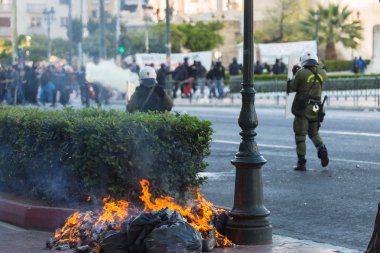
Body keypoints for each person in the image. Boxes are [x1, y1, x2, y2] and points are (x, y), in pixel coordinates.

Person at [287, 50, 329, 171]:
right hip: (316, 107)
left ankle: (301, 162)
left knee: (300, 136)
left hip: (303, 107)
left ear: (304, 61)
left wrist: (294, 73)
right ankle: (322, 148)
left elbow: (291, 88)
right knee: (314, 133)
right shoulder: (323, 73)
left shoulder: (301, 73)